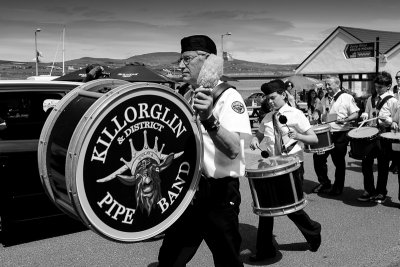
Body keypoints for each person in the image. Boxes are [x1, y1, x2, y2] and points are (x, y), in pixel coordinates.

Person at [157, 35, 252, 267]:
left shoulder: (229, 97)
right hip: (188, 191)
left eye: (187, 59)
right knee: (170, 257)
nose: (181, 66)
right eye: (180, 60)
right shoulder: (188, 95)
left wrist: (209, 119)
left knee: (227, 259)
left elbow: (234, 151)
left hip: (218, 193)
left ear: (208, 61)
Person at [248, 79, 322, 262]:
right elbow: (259, 135)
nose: (270, 101)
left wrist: (298, 135)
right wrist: (255, 140)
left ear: (282, 94)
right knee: (266, 209)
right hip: (273, 167)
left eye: (273, 97)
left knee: (292, 208)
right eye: (267, 98)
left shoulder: (295, 114)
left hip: (293, 166)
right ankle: (265, 250)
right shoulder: (267, 117)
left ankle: (313, 230)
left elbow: (314, 139)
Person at [311, 76, 360, 195]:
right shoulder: (325, 97)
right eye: (326, 85)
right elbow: (318, 109)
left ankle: (338, 187)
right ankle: (324, 182)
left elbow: (355, 114)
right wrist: (316, 114)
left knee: (338, 161)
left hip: (340, 133)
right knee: (318, 159)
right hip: (326, 132)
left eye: (329, 85)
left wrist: (346, 119)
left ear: (337, 84)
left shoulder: (346, 97)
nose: (326, 87)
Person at [359, 71, 399, 203]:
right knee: (366, 163)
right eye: (376, 86)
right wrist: (365, 115)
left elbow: (396, 121)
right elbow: (367, 112)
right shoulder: (371, 99)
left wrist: (391, 121)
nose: (377, 89)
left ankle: (381, 192)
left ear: (388, 86)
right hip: (370, 132)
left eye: (380, 87)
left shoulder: (393, 101)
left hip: (384, 134)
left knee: (383, 165)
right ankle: (369, 190)